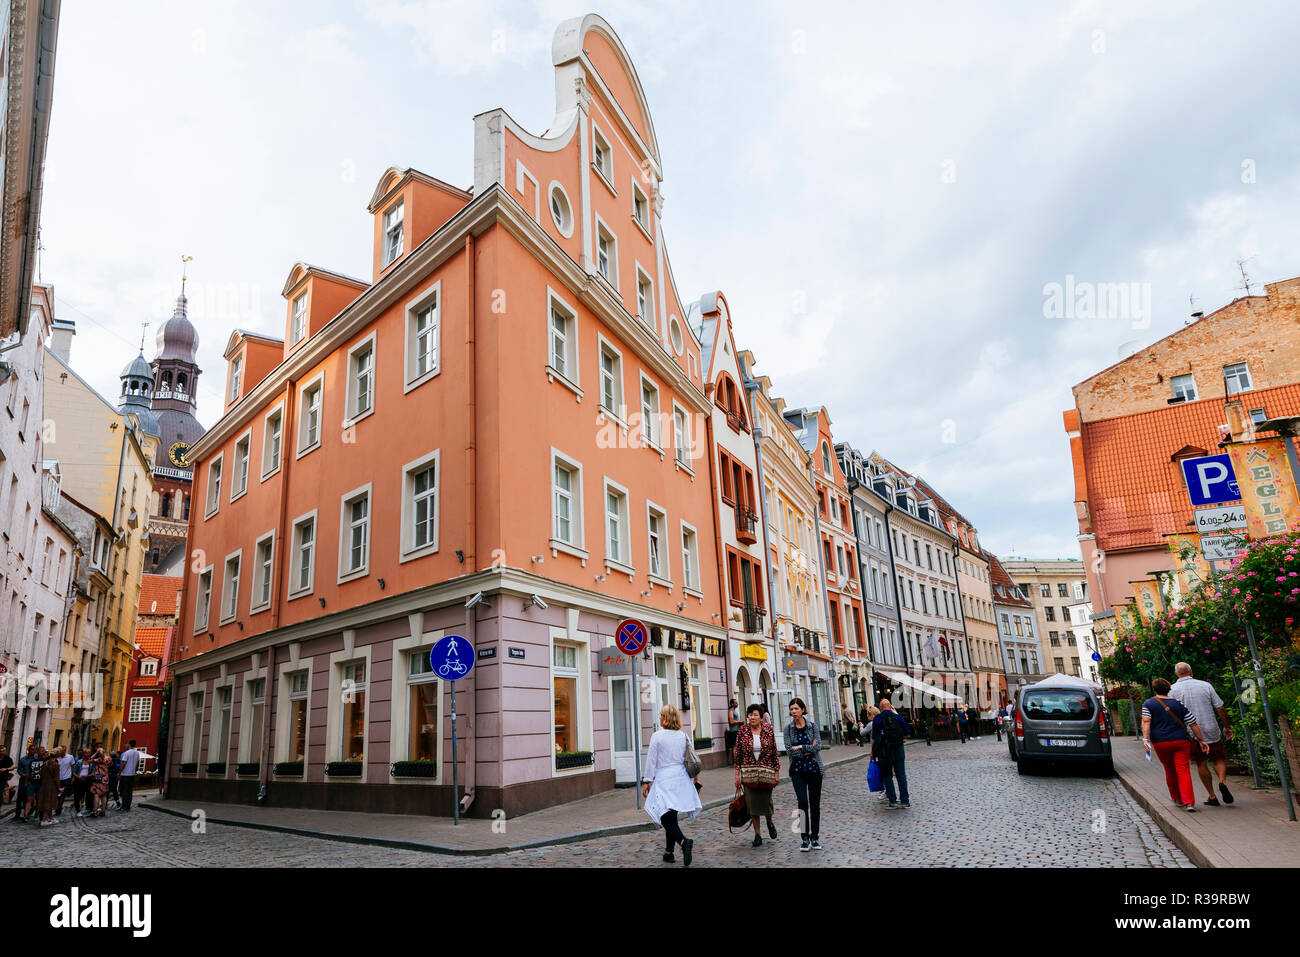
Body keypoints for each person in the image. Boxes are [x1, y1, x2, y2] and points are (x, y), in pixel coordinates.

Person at [642, 704, 699, 866]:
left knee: (664, 816)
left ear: (666, 718)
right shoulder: (683, 736)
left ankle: (683, 842)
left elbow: (651, 760)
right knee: (671, 815)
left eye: (661, 715)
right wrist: (696, 779)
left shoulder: (657, 736)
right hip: (680, 779)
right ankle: (669, 852)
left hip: (665, 778)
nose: (659, 717)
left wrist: (647, 781)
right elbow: (691, 758)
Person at [1170, 661, 1235, 806]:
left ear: (1176, 674)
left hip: (1191, 733)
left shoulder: (1172, 690)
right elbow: (1220, 708)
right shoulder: (1206, 685)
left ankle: (1212, 796)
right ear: (1191, 672)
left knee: (1201, 762)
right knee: (1218, 759)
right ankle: (1222, 782)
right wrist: (1226, 726)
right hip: (1210, 727)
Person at [1142, 677, 1210, 813]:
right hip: (1181, 741)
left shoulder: (1149, 703)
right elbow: (1193, 723)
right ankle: (1189, 802)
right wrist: (1201, 740)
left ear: (1155, 689)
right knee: (1183, 770)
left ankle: (1177, 798)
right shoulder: (1178, 704)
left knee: (1169, 769)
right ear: (1168, 688)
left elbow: (1146, 721)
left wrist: (1145, 739)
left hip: (1160, 742)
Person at [734, 703, 780, 847]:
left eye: (755, 715)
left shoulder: (769, 730)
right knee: (752, 805)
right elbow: (738, 753)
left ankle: (769, 822)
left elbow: (774, 751)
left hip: (766, 772)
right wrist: (737, 774)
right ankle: (757, 835)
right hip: (749, 772)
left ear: (761, 717)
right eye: (750, 714)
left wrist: (777, 771)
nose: (752, 717)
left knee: (766, 802)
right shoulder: (743, 730)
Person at [784, 698, 824, 851]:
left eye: (796, 708)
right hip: (797, 771)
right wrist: (807, 749)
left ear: (802, 710)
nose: (793, 711)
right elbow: (789, 750)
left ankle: (815, 837)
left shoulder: (812, 727)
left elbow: (818, 746)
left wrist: (800, 746)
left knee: (815, 804)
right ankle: (804, 838)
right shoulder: (788, 728)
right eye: (791, 709)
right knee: (802, 802)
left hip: (814, 769)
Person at [872, 698, 913, 809]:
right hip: (898, 749)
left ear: (880, 708)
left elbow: (874, 738)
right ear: (890, 706)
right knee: (901, 775)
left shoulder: (877, 719)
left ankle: (892, 801)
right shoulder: (898, 717)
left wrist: (872, 752)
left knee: (887, 776)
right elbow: (908, 734)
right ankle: (905, 800)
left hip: (884, 751)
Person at [35, 748, 59, 826]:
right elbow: (56, 778)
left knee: (46, 800)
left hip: (44, 784)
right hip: (51, 785)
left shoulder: (45, 763)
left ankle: (51, 818)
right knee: (48, 801)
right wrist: (59, 787)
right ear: (57, 755)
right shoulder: (55, 764)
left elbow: (41, 774)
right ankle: (44, 819)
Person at [13, 744, 36, 822]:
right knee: (20, 797)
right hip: (23, 780)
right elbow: (19, 769)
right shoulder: (23, 759)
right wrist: (23, 774)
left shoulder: (36, 760)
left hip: (32, 781)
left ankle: (27, 814)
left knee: (29, 797)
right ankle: (17, 814)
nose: (33, 751)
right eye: (32, 749)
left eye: (34, 750)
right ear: (28, 750)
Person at [118, 740, 140, 811]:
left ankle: (124, 806)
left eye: (127, 743)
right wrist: (135, 771)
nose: (126, 745)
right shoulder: (137, 753)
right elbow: (137, 764)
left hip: (125, 774)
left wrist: (119, 772)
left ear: (129, 744)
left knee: (124, 791)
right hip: (132, 774)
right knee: (130, 791)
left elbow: (124, 763)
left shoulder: (126, 753)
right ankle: (128, 805)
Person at [88, 748, 110, 817]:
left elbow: (89, 760)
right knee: (104, 795)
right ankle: (103, 811)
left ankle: (95, 811)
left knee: (96, 794)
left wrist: (96, 753)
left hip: (98, 778)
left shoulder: (98, 760)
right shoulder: (108, 759)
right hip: (105, 778)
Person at [54, 746, 74, 817]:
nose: (61, 752)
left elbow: (72, 766)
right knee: (56, 795)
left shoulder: (70, 757)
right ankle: (56, 807)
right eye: (59, 751)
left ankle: (58, 809)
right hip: (57, 778)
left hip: (66, 779)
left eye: (62, 751)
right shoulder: (56, 758)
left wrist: (72, 776)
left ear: (65, 751)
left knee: (62, 795)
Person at [73, 749, 92, 816]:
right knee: (77, 795)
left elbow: (93, 772)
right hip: (79, 779)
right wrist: (78, 777)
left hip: (87, 779)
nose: (88, 754)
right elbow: (74, 772)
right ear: (84, 754)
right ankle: (78, 810)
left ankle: (88, 807)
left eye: (89, 753)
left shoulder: (91, 762)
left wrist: (89, 775)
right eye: (86, 753)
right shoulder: (79, 762)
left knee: (88, 794)